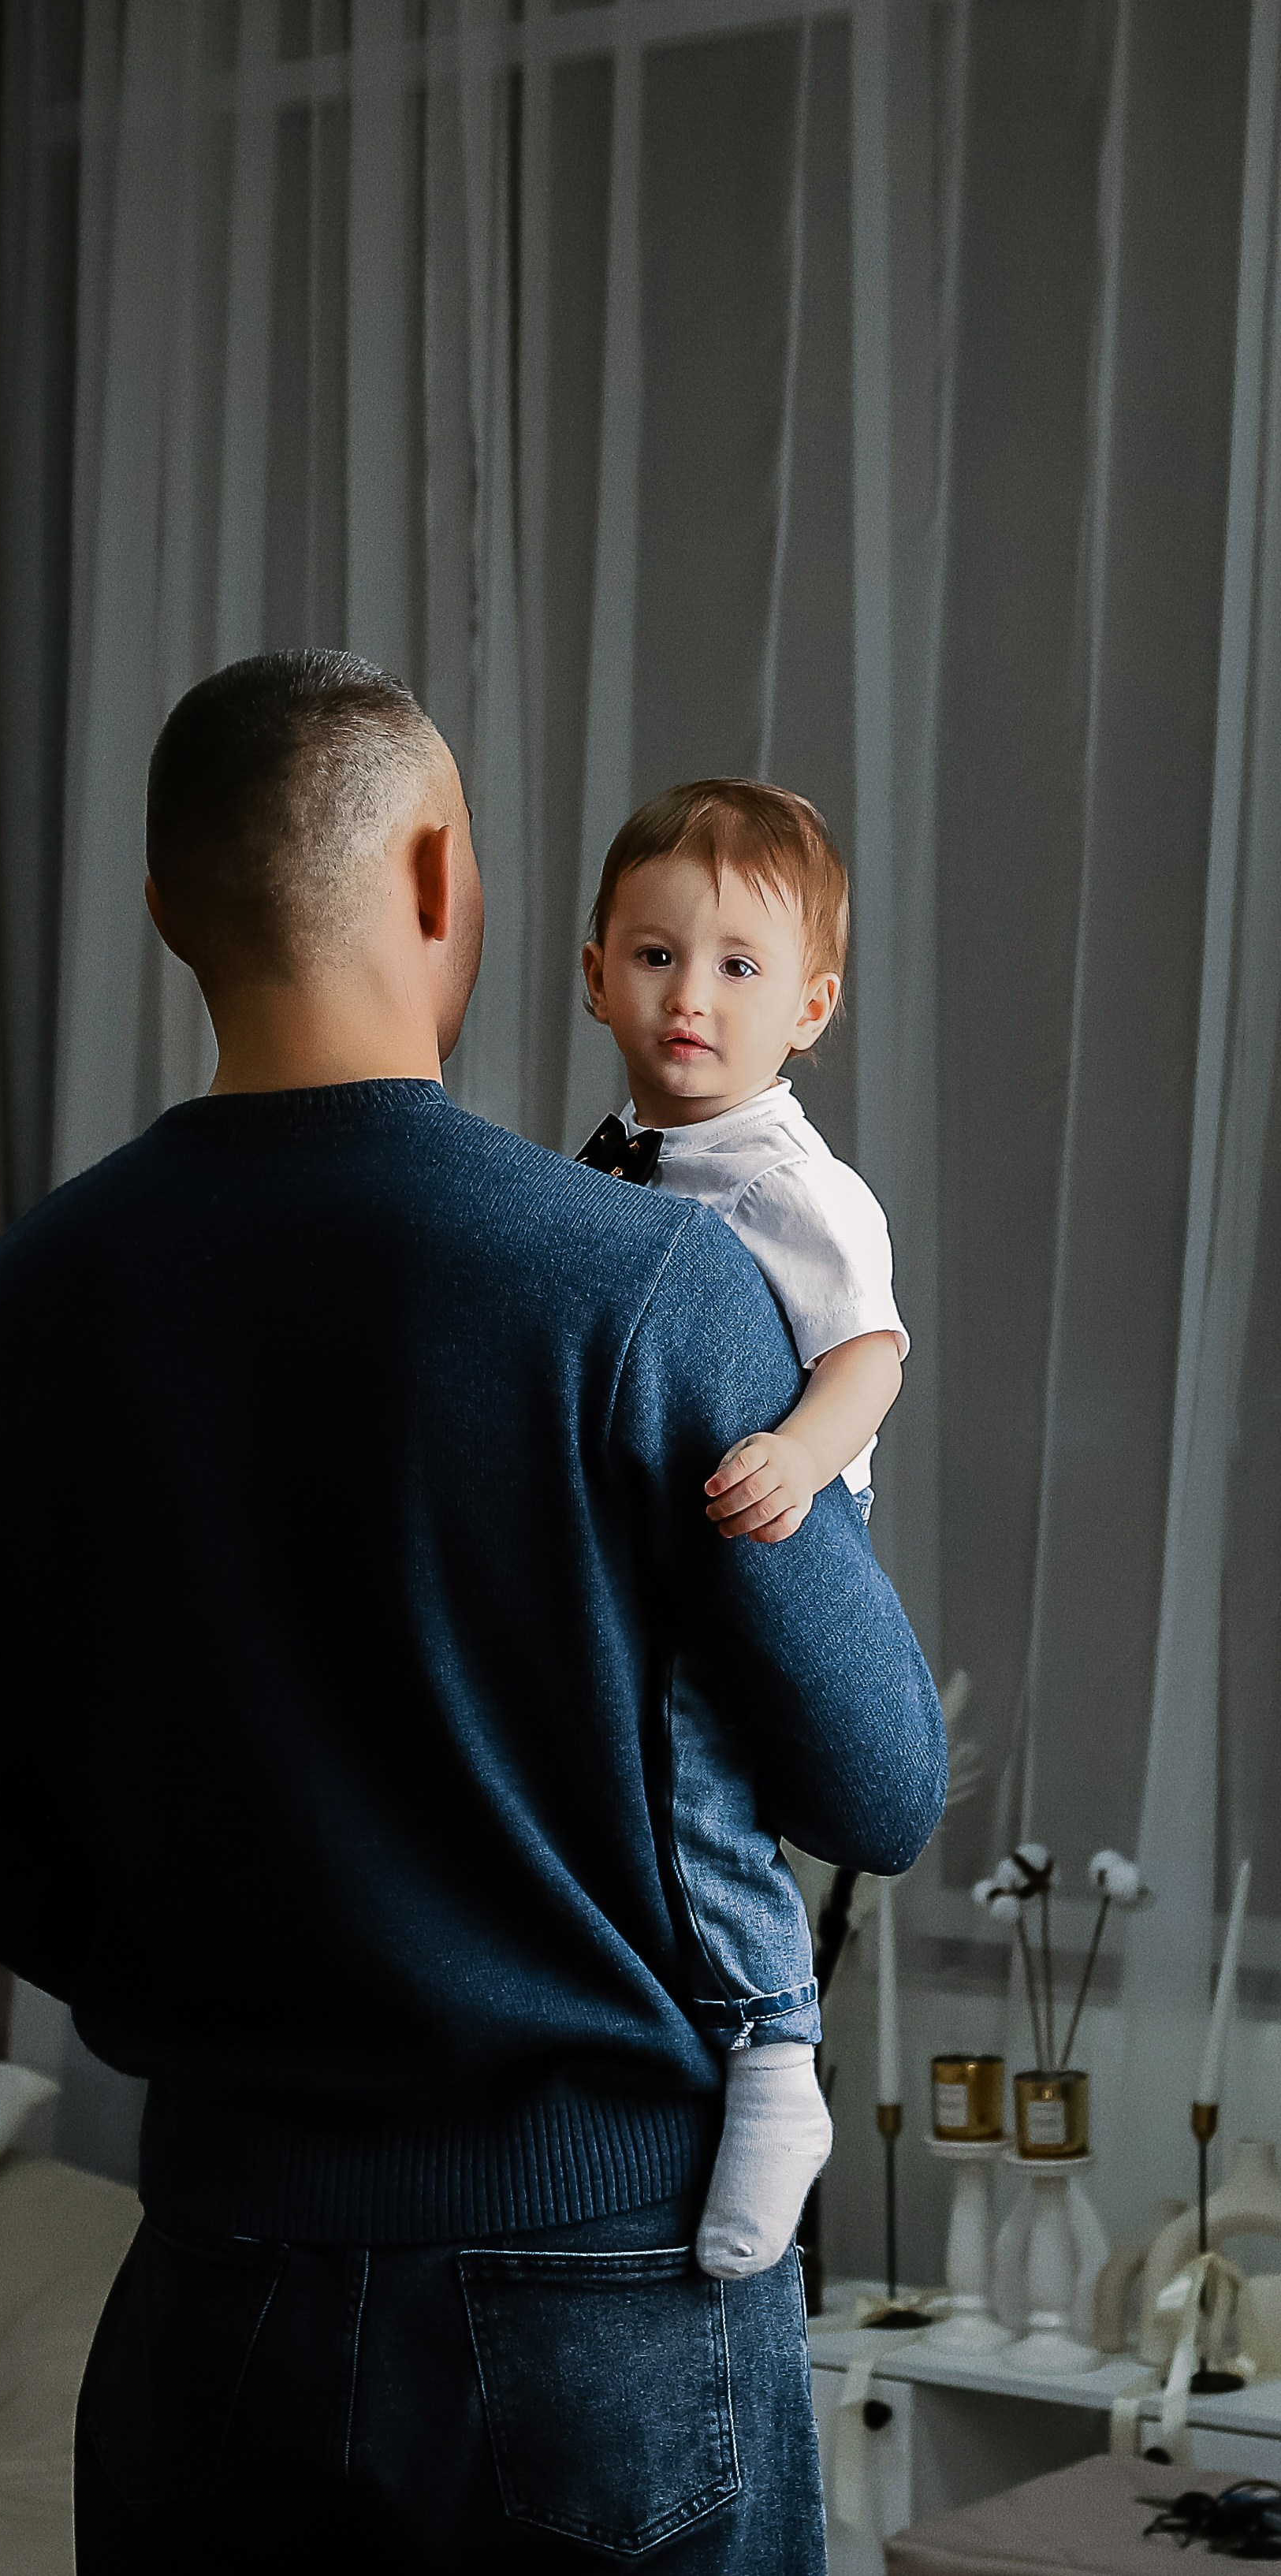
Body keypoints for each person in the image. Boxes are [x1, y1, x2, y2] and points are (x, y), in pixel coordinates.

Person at [0, 651, 947, 2574]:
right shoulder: (637, 1282)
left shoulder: (20, 1309)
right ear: (447, 881)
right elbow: (880, 1786)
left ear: (166, 918)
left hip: (216, 2292)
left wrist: (239, 2016)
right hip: (606, 2291)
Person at [575, 779, 907, 2284]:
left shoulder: (793, 1183)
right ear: (595, 974)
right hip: (630, 1544)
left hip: (759, 1541)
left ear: (811, 1007)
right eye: (655, 956)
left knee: (702, 1790)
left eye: (737, 966)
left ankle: (780, 2055)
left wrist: (794, 1450)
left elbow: (873, 1354)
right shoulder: (601, 1159)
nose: (689, 996)